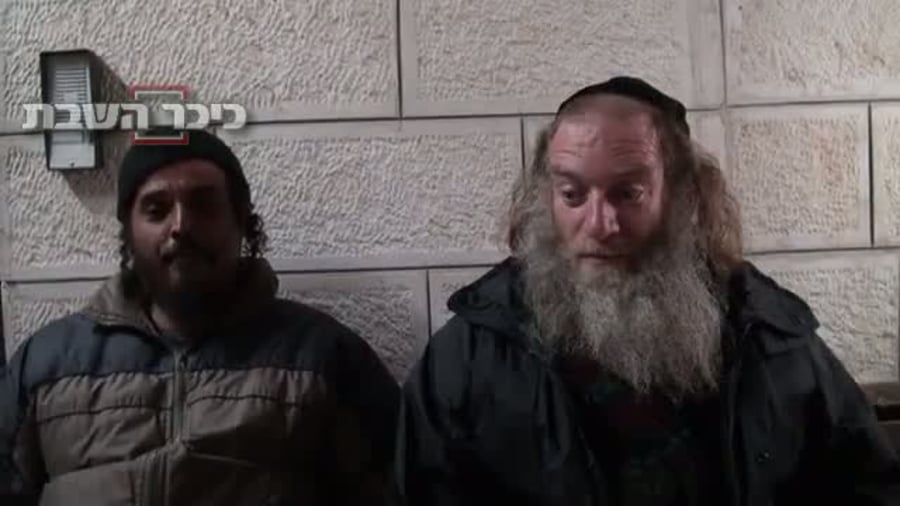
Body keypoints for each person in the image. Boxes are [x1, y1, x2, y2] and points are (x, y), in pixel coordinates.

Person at [394, 76, 900, 505]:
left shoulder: (768, 338)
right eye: (572, 194)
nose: (599, 223)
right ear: (544, 197)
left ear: (683, 196)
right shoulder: (470, 356)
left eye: (628, 193)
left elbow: (868, 486)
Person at [0, 129, 400, 505]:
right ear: (129, 233)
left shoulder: (323, 357)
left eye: (204, 205)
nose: (180, 226)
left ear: (242, 221)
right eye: (156, 210)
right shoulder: (46, 365)